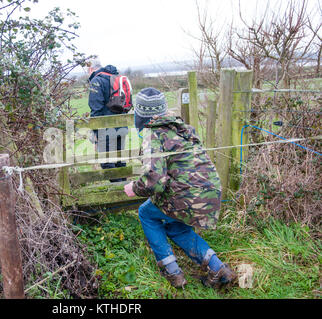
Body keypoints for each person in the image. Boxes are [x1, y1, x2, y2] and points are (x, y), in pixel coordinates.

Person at [123, 87, 236, 289]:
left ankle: (172, 272)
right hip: (208, 192)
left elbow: (155, 180)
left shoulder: (153, 133)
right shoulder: (181, 128)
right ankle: (219, 270)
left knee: (146, 213)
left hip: (186, 195)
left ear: (141, 114)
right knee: (177, 227)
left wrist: (134, 187)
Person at [87, 59, 127, 182]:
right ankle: (126, 193)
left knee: (108, 164)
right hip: (122, 126)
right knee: (119, 162)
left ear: (90, 69)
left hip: (106, 130)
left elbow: (96, 109)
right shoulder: (116, 77)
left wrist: (95, 132)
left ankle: (120, 195)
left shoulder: (96, 81)